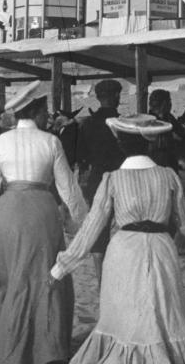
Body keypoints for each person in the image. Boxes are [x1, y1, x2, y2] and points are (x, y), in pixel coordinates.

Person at [50, 114, 185, 364]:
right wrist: (179, 244)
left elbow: (92, 226)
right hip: (161, 249)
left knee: (125, 317)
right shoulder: (168, 175)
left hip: (124, 252)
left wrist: (62, 267)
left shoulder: (112, 178)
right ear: (149, 143)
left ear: (121, 144)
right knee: (164, 316)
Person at [0, 80, 88, 364]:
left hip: (6, 214)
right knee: (44, 279)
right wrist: (84, 225)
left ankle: (9, 346)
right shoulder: (51, 141)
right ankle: (45, 349)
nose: (47, 115)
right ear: (37, 110)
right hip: (41, 213)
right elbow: (69, 190)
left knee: (7, 280)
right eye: (45, 109)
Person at [76, 79, 124, 285]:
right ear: (115, 97)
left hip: (97, 179)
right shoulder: (122, 122)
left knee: (100, 227)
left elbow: (81, 154)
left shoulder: (88, 123)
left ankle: (101, 280)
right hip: (121, 178)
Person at [148, 89, 185, 173]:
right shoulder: (150, 120)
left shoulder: (168, 117)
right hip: (157, 161)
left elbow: (182, 133)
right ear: (164, 103)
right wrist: (172, 136)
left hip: (170, 160)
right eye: (169, 101)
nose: (171, 104)